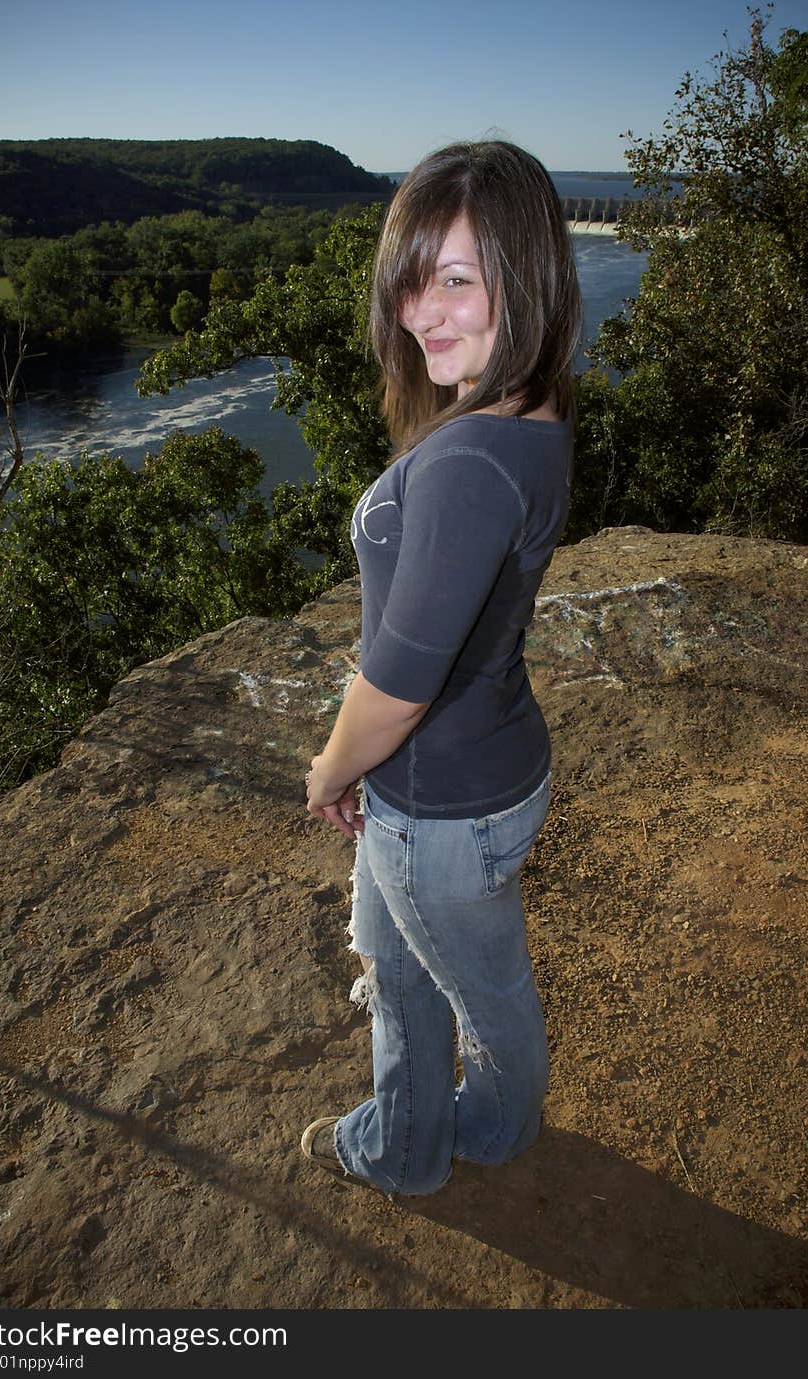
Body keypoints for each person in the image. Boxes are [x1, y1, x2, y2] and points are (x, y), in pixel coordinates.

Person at [301, 140, 581, 1196]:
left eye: (457, 277)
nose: (423, 311)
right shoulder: (528, 416)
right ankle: (407, 1136)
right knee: (393, 958)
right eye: (412, 279)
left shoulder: (468, 458)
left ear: (529, 274)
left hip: (438, 801)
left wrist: (331, 769)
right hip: (470, 771)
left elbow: (400, 684)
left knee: (485, 998)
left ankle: (489, 1130)